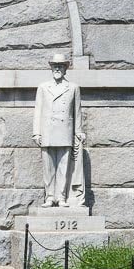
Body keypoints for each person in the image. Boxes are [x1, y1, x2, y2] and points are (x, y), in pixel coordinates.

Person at [32, 53, 86, 208]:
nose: (57, 68)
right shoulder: (43, 87)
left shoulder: (73, 88)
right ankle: (50, 197)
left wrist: (79, 131)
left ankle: (61, 197)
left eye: (60, 66)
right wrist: (36, 132)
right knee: (48, 168)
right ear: (51, 68)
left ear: (65, 69)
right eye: (55, 65)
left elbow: (77, 112)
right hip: (47, 132)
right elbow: (38, 110)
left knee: (63, 167)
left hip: (65, 132)